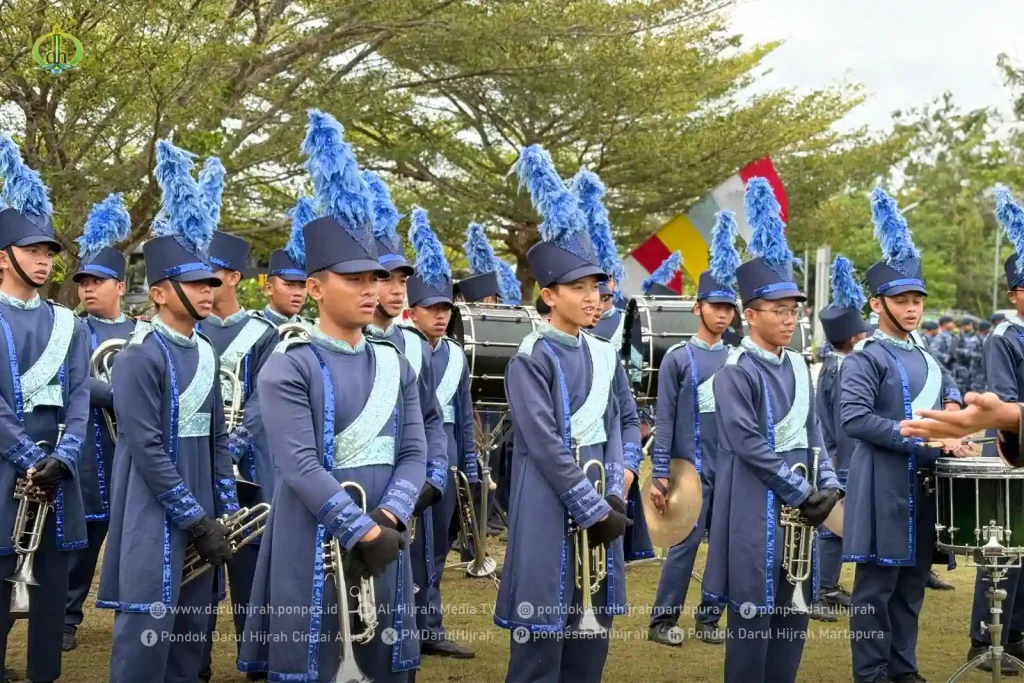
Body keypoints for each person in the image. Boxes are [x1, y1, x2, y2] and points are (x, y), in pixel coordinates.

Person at [237, 109, 423, 683]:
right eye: (356, 280)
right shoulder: (289, 363)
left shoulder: (394, 359)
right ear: (315, 287)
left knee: (385, 661)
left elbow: (415, 449)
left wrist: (390, 515)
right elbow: (296, 464)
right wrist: (359, 528)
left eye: (377, 279)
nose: (372, 291)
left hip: (386, 534)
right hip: (314, 537)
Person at [98, 139, 236, 683]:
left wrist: (221, 506)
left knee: (190, 636)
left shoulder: (206, 349)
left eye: (212, 282)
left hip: (203, 509)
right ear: (158, 293)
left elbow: (219, 436)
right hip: (155, 512)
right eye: (197, 284)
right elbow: (147, 447)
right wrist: (193, 516)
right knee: (146, 634)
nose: (210, 291)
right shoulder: (138, 356)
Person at [495, 145, 631, 683]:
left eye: (595, 287)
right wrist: (590, 505)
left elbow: (623, 418)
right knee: (542, 625)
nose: (592, 297)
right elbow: (544, 441)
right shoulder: (532, 355)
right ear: (549, 295)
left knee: (590, 631)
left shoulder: (605, 350)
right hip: (550, 494)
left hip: (602, 488)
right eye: (578, 289)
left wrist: (620, 478)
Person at [701, 177, 840, 683]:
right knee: (754, 612)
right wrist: (801, 490)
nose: (789, 320)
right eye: (779, 312)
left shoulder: (799, 365)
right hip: (756, 505)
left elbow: (814, 430)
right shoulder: (735, 371)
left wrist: (828, 484)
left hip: (801, 504)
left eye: (794, 311)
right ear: (749, 314)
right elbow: (747, 443)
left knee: (795, 607)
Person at [839, 188, 968, 683]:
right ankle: (871, 674)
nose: (912, 309)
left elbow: (950, 389)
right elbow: (855, 419)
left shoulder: (928, 353)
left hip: (925, 487)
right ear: (878, 303)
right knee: (875, 591)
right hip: (883, 486)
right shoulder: (865, 356)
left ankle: (904, 670)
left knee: (911, 588)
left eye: (917, 300)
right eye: (902, 300)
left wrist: (953, 414)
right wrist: (926, 439)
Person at [0, 136, 90, 683]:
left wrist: (67, 454)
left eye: (49, 252)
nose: (43, 260)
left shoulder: (68, 322)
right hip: (7, 463)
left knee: (52, 582)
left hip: (60, 468)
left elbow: (81, 392)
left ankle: (43, 674)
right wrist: (27, 454)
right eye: (33, 250)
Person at [360, 171, 455, 657]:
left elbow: (432, 420)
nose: (396, 290)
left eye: (401, 279)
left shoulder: (410, 344)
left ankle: (422, 632)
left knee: (412, 571)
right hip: (358, 490)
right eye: (382, 278)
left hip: (408, 484)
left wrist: (432, 478)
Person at [193, 159, 279, 682]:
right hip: (201, 461)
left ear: (232, 278)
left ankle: (255, 657)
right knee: (198, 570)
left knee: (251, 563)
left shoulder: (262, 332)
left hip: (249, 468)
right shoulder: (186, 329)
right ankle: (192, 659)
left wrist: (236, 442)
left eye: (211, 275)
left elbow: (265, 395)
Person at [647, 209, 739, 648]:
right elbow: (664, 417)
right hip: (691, 469)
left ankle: (710, 617)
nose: (722, 315)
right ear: (697, 307)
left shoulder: (739, 359)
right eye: (715, 306)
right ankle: (663, 620)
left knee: (722, 547)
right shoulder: (678, 358)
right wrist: (661, 470)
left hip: (732, 468)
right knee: (683, 544)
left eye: (728, 308)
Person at [404, 207, 481, 658]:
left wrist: (469, 468)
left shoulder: (455, 353)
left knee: (437, 549)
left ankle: (430, 625)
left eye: (445, 309)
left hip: (449, 459)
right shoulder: (400, 346)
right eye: (431, 309)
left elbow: (463, 411)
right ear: (413, 310)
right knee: (406, 547)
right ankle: (402, 625)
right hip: (413, 458)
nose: (440, 316)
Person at [63, 193, 138, 653]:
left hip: (129, 451)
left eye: (98, 281)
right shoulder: (69, 329)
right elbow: (71, 376)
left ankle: (135, 615)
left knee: (134, 543)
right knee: (81, 545)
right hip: (87, 452)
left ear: (119, 286)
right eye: (83, 282)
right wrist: (117, 395)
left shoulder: (141, 331)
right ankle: (67, 618)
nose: (87, 289)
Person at [571, 169, 645, 565]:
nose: (598, 303)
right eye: (589, 292)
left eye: (604, 294)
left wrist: (627, 471)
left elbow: (632, 381)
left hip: (610, 454)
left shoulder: (617, 328)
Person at [963, 188, 1024, 671]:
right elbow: (1003, 402)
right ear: (1012, 294)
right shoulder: (1003, 337)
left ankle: (1020, 635)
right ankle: (985, 638)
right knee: (1005, 550)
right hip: (1014, 452)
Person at [811, 256, 873, 620]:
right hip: (840, 458)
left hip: (849, 456)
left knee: (840, 527)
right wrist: (832, 457)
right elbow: (828, 420)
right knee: (831, 529)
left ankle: (830, 585)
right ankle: (820, 590)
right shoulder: (840, 367)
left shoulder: (844, 364)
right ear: (852, 337)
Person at [258, 209, 309, 327]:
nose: (298, 293)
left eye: (302, 286)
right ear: (268, 289)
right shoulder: (248, 329)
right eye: (289, 285)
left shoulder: (312, 332)